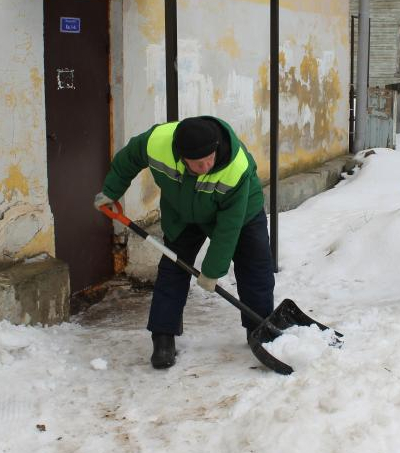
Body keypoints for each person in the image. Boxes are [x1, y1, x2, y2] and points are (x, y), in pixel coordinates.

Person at [94, 116, 274, 369]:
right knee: (172, 269)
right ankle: (163, 337)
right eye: (199, 163)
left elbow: (228, 228)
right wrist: (111, 191)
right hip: (183, 213)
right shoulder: (158, 143)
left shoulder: (236, 167)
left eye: (210, 158)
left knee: (255, 266)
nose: (207, 165)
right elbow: (129, 158)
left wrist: (212, 271)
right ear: (181, 156)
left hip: (240, 213)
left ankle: (260, 329)